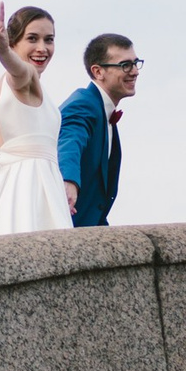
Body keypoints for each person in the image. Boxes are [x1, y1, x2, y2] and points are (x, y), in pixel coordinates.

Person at [0, 3, 74, 238]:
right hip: (26, 192)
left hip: (16, 190)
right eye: (32, 39)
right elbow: (20, 71)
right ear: (13, 43)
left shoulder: (19, 88)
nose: (42, 48)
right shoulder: (24, 78)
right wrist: (2, 51)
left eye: (49, 40)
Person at [59, 33, 138, 227]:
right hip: (68, 226)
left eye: (136, 63)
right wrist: (68, 180)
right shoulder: (83, 104)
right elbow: (70, 140)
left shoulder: (104, 111)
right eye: (125, 65)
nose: (135, 71)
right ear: (98, 71)